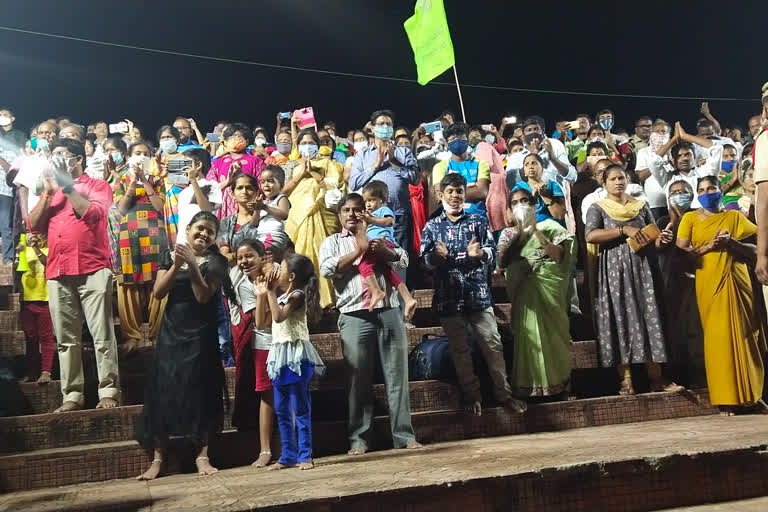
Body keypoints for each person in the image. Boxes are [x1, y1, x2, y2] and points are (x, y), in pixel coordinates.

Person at [319, 193, 421, 455]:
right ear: (340, 215)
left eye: (357, 209)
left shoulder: (377, 236)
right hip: (354, 314)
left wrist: (384, 251)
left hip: (388, 311)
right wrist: (359, 251)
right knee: (357, 379)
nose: (352, 214)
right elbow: (328, 269)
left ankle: (404, 435)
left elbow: (403, 259)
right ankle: (359, 438)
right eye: (347, 210)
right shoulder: (332, 242)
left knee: (397, 376)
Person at [420, 173, 526, 416]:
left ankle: (504, 394)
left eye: (459, 191)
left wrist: (481, 255)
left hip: (478, 295)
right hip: (449, 298)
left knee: (493, 344)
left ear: (465, 194)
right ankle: (471, 395)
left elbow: (491, 252)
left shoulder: (478, 221)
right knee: (460, 350)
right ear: (440, 195)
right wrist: (434, 258)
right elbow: (423, 263)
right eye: (450, 191)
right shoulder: (432, 226)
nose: (455, 196)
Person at [28, 138, 120, 412]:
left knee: (102, 335)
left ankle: (109, 392)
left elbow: (92, 215)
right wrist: (46, 192)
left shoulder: (97, 185)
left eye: (62, 156)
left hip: (93, 267)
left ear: (77, 159)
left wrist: (67, 186)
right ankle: (72, 396)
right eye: (53, 157)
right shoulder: (51, 191)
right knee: (66, 339)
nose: (55, 162)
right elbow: (33, 225)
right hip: (58, 270)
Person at [136, 211, 228, 480]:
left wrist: (194, 265)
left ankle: (202, 456)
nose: (204, 234)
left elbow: (202, 296)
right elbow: (158, 292)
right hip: (172, 330)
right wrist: (178, 264)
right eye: (200, 228)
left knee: (202, 389)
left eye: (210, 231)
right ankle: (158, 459)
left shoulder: (217, 261)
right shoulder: (169, 254)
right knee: (163, 388)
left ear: (214, 238)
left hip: (201, 331)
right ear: (188, 229)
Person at [584, 165, 681, 395]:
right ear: (604, 183)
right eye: (613, 179)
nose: (618, 182)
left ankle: (656, 377)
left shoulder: (640, 206)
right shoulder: (597, 208)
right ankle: (626, 380)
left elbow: (652, 237)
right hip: (614, 272)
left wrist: (663, 240)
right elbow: (591, 235)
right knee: (620, 318)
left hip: (643, 270)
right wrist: (622, 230)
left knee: (649, 316)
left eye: (621, 178)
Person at [676, 176, 766, 414]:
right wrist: (709, 247)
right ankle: (725, 399)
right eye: (702, 190)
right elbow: (681, 254)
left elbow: (757, 249)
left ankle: (752, 397)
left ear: (720, 190)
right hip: (709, 283)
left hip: (738, 281)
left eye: (712, 188)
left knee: (747, 336)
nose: (707, 193)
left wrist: (731, 243)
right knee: (718, 340)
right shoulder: (690, 218)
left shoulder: (735, 217)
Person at [498, 187, 576, 397]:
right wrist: (520, 235)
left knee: (553, 338)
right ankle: (531, 390)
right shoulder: (508, 235)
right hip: (525, 298)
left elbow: (560, 256)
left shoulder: (549, 226)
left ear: (534, 205)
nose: (521, 205)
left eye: (525, 201)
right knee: (530, 338)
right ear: (509, 210)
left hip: (550, 298)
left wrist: (535, 232)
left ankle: (560, 385)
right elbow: (502, 263)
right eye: (515, 203)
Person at [257, 253, 325, 470]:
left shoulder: (297, 296)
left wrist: (269, 292)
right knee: (281, 409)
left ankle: (305, 455)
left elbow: (278, 317)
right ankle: (288, 455)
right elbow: (262, 322)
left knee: (300, 407)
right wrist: (262, 295)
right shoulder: (279, 297)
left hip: (295, 357)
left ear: (292, 276)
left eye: (282, 268)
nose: (277, 272)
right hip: (279, 357)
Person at [113, 142, 168, 352]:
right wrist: (132, 182)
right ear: (129, 157)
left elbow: (161, 207)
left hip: (155, 234)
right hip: (130, 236)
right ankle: (132, 335)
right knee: (128, 282)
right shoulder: (121, 179)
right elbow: (121, 209)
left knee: (158, 279)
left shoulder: (158, 179)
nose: (141, 157)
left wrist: (145, 180)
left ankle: (157, 334)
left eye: (146, 154)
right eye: (137, 153)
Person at [283, 128, 343, 308]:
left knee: (322, 255)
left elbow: (335, 185)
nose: (307, 146)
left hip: (321, 215)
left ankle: (327, 301)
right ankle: (298, 300)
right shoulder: (291, 165)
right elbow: (282, 191)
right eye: (303, 143)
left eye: (311, 143)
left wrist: (315, 173)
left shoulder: (327, 163)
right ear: (297, 146)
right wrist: (301, 173)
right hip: (296, 218)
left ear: (317, 145)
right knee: (299, 256)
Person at [655, 180, 705, 386]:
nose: (679, 195)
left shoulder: (700, 218)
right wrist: (665, 234)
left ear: (692, 194)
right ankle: (679, 375)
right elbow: (656, 247)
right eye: (674, 192)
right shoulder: (662, 221)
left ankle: (701, 376)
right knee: (675, 331)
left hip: (698, 279)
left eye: (683, 192)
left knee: (697, 330)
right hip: (671, 282)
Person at [231, 238, 275, 468]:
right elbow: (263, 321)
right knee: (267, 395)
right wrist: (265, 293)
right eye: (239, 258)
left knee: (293, 394)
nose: (244, 261)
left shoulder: (278, 272)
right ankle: (265, 449)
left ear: (262, 257)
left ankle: (298, 445)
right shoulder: (245, 286)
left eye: (249, 256)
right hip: (265, 343)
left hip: (288, 341)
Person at [350, 109, 419, 254]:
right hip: (373, 217)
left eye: (389, 124)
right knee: (374, 260)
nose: (385, 127)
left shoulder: (403, 152)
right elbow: (354, 183)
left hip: (399, 217)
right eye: (381, 124)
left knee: (399, 260)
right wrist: (375, 165)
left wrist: (395, 162)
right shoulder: (363, 154)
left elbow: (415, 178)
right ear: (373, 129)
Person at [358, 181, 417, 318]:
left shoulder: (383, 210)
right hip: (373, 244)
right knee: (388, 272)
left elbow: (389, 222)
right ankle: (408, 299)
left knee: (363, 265)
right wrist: (365, 223)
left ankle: (376, 291)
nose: (368, 204)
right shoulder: (369, 215)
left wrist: (372, 220)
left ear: (383, 201)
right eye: (365, 201)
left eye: (371, 200)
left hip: (382, 243)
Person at [431, 123, 490, 218]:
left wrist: (450, 192)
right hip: (451, 221)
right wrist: (472, 190)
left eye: (461, 137)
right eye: (452, 139)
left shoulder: (481, 164)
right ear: (446, 143)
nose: (457, 141)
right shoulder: (440, 167)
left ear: (467, 139)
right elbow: (439, 196)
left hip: (479, 218)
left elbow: (482, 192)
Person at [207, 123, 265, 219]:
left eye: (238, 137)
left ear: (246, 141)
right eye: (230, 138)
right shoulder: (217, 163)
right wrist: (227, 182)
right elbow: (209, 188)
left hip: (248, 209)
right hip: (222, 210)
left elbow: (262, 185)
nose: (234, 140)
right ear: (225, 142)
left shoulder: (256, 161)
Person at [18, 232, 54, 384]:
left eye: (39, 234)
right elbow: (20, 270)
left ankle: (46, 371)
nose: (35, 237)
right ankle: (32, 371)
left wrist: (36, 248)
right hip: (27, 299)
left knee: (46, 337)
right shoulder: (24, 250)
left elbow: (47, 263)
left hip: (44, 298)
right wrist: (20, 251)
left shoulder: (49, 249)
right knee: (30, 337)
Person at [169, 148, 222, 247]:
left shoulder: (212, 185)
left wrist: (193, 180)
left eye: (185, 163)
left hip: (202, 244)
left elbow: (206, 210)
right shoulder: (184, 192)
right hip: (183, 244)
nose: (182, 167)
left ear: (197, 165)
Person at [217, 173, 262, 266]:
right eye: (240, 188)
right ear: (233, 194)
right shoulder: (226, 223)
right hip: (233, 275)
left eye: (249, 188)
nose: (244, 191)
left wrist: (235, 255)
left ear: (257, 193)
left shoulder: (265, 220)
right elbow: (224, 258)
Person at [512, 153, 566, 227]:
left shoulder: (553, 185)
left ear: (542, 168)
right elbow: (512, 218)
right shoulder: (518, 189)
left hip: (553, 228)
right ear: (524, 172)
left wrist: (545, 196)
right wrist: (531, 199)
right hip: (530, 230)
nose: (530, 167)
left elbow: (560, 215)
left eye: (534, 163)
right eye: (526, 164)